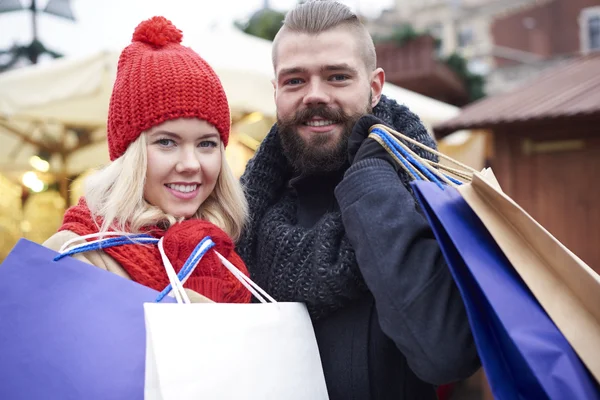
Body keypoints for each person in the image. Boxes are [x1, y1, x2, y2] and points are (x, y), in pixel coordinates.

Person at [236, 1, 480, 398]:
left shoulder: (430, 197)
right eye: (294, 81)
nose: (314, 95)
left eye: (336, 77)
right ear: (276, 92)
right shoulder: (241, 217)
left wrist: (372, 176)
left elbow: (444, 354)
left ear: (374, 87)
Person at [44, 16, 251, 304]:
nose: (191, 164)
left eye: (206, 144)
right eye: (167, 142)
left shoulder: (226, 253)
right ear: (130, 155)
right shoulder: (74, 254)